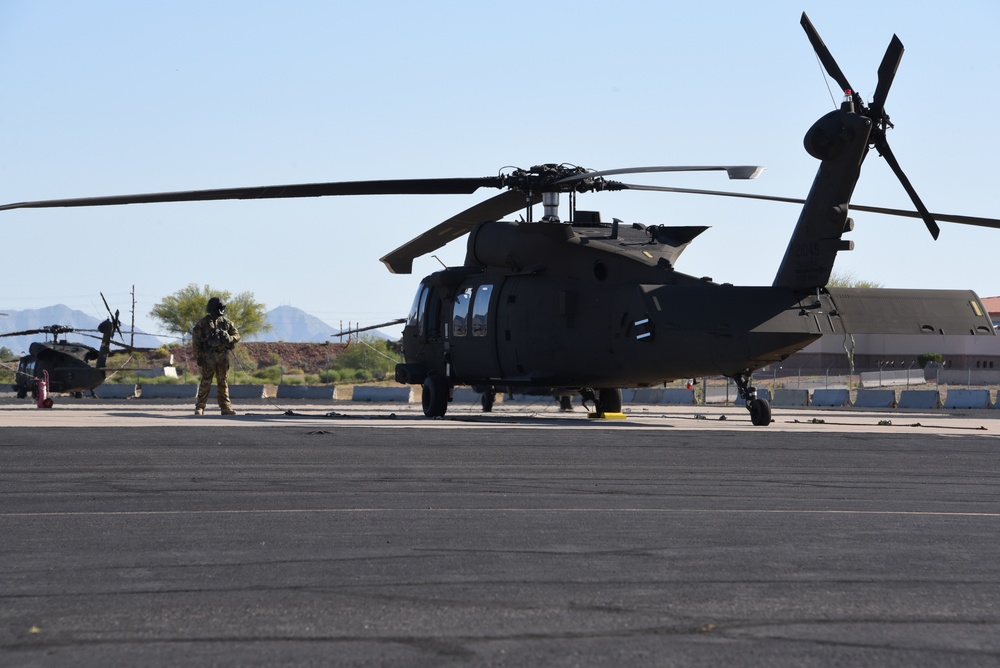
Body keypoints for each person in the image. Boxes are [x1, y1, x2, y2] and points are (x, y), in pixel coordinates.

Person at [192, 296, 241, 415]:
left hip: (223, 357)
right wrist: (198, 356)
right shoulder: (202, 323)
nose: (219, 311)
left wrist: (229, 338)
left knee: (223, 382)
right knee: (206, 382)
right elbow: (196, 341)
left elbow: (237, 335)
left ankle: (225, 407)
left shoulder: (226, 322)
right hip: (208, 356)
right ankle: (200, 407)